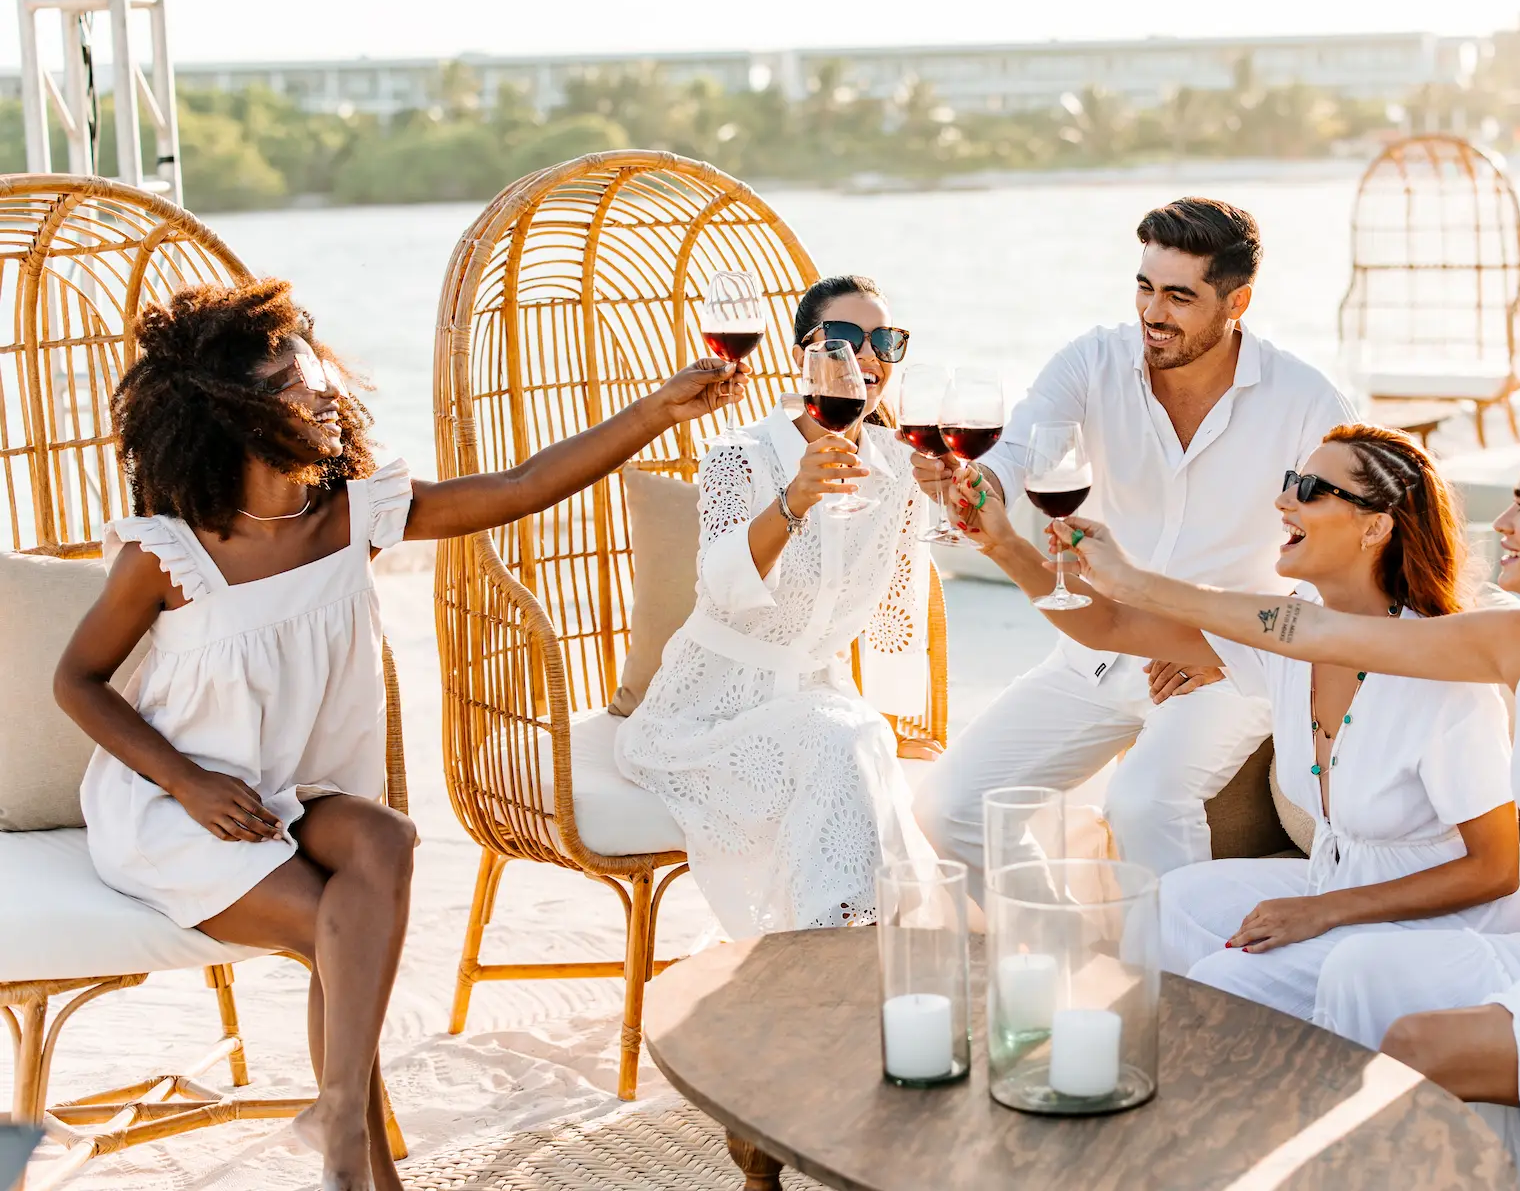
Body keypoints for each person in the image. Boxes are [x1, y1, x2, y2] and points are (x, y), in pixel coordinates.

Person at [54, 279, 744, 1191]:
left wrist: (656, 411)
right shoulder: (172, 553)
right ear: (238, 414)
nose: (326, 394)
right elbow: (77, 682)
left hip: (290, 801)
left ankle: (342, 1126)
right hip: (176, 813)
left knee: (386, 837)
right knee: (348, 930)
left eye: (319, 374)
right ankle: (361, 1158)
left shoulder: (354, 518)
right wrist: (186, 782)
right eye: (299, 386)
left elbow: (525, 487)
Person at [1053, 419, 1520, 1191]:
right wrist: (1128, 580)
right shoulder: (1518, 645)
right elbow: (1309, 630)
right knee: (1363, 975)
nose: (1500, 525)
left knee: (1416, 1044)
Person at [962, 423, 1520, 1020]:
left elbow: (1495, 869)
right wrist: (1002, 543)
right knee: (1168, 902)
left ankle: (1245, 1089)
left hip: (1452, 923)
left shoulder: (1440, 678)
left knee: (1228, 976)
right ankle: (1170, 1064)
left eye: (1312, 488)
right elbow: (1111, 627)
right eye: (1292, 479)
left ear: (1376, 526)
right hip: (1337, 882)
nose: (1283, 499)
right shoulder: (1294, 629)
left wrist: (1323, 911)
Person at [913, 197, 1352, 894]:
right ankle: (1056, 948)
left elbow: (1346, 566)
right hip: (1099, 648)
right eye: (1145, 287)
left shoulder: (1307, 403)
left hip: (1227, 664)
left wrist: (1224, 649)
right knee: (948, 807)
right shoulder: (1092, 362)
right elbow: (1016, 455)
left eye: (1180, 296)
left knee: (1144, 803)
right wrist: (968, 486)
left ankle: (1189, 988)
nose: (1154, 312)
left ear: (1236, 301)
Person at [614, 275, 936, 938]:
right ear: (802, 357)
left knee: (856, 737)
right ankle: (839, 950)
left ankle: (839, 947)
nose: (865, 359)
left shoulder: (900, 467)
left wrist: (964, 501)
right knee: (850, 741)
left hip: (819, 702)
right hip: (707, 713)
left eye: (884, 341)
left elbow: (900, 596)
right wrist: (796, 499)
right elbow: (724, 587)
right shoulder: (744, 455)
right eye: (843, 339)